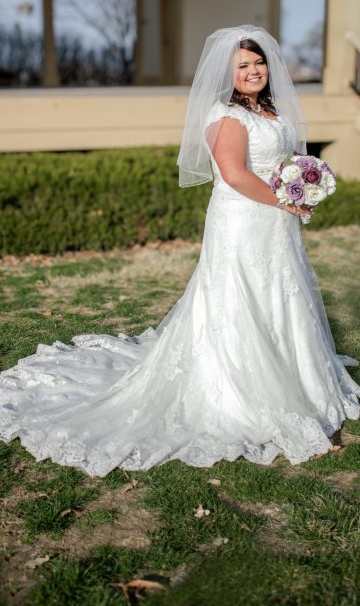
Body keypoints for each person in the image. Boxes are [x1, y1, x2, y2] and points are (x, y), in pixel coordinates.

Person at [0, 25, 359, 476]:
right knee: (239, 299)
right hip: (244, 219)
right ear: (227, 73)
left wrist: (299, 183)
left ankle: (297, 375)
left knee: (281, 293)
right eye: (243, 65)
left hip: (275, 224)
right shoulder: (226, 115)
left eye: (258, 62)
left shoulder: (269, 111)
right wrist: (287, 199)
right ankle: (247, 391)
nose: (254, 71)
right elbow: (233, 174)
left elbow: (279, 163)